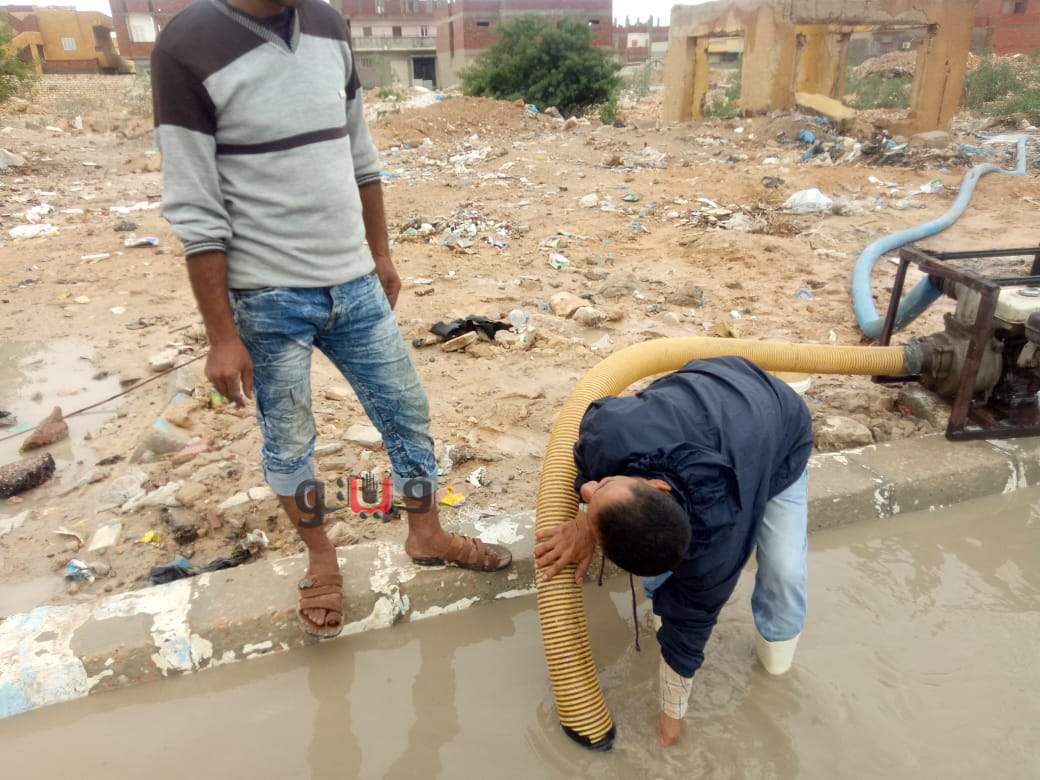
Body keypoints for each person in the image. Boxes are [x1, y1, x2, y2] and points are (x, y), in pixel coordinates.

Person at [151, 0, 511, 639]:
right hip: (265, 296)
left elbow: (359, 153)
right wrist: (221, 336)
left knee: (407, 414)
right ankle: (321, 560)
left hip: (356, 282)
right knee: (290, 441)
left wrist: (381, 253)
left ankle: (426, 534)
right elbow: (195, 208)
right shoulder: (187, 46)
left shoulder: (326, 23)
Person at [535, 356, 813, 747]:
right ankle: (659, 611)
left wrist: (670, 721)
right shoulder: (609, 433)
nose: (591, 489)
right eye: (598, 488)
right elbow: (583, 462)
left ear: (659, 487)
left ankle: (777, 669)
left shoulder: (717, 552)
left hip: (778, 427)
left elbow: (691, 631)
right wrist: (585, 519)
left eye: (600, 487)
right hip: (705, 390)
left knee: (785, 572)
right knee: (660, 564)